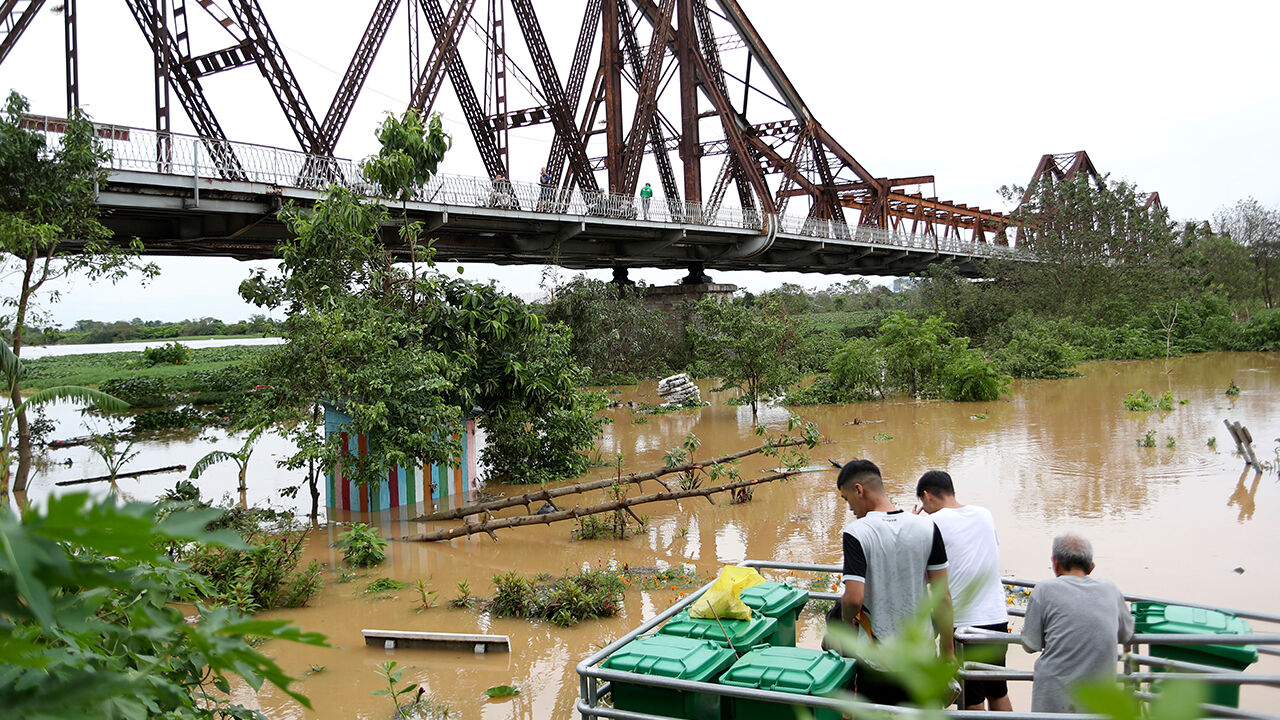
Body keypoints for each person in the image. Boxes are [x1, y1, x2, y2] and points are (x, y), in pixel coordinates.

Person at [833, 459, 954, 705]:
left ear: (859, 490)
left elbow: (854, 598)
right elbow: (942, 596)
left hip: (877, 663)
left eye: (847, 499)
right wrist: (948, 651)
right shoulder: (927, 526)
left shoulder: (857, 532)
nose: (850, 508)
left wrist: (847, 621)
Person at [915, 470, 1012, 712]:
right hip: (996, 618)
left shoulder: (931, 524)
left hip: (964, 624)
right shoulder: (984, 514)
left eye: (923, 503)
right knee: (998, 692)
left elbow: (923, 575)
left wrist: (913, 527)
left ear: (927, 496)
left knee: (971, 700)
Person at [1021, 532, 1134, 713]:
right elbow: (1126, 634)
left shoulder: (1044, 590)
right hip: (1100, 702)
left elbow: (1030, 644)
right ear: (1091, 566)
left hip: (1054, 702)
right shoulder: (1111, 589)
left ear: (1055, 563)